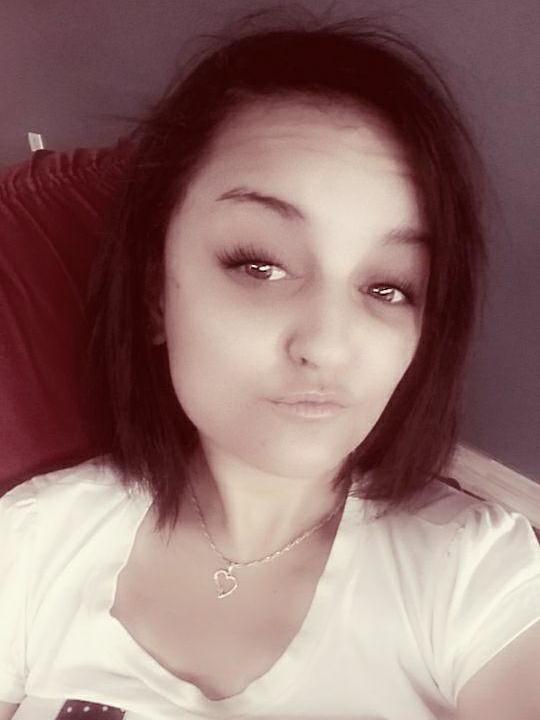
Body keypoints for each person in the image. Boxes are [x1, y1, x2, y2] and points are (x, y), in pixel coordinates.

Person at [1, 11, 539, 720]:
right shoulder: (33, 541)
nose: (329, 344)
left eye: (389, 287)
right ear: (155, 294)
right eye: (260, 265)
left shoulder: (478, 577)